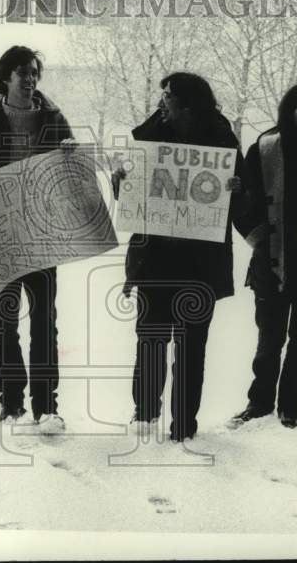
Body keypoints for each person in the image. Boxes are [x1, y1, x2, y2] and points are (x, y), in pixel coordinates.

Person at [114, 72, 243, 442]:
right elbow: (131, 194)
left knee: (191, 346)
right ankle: (145, 414)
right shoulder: (149, 136)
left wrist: (236, 188)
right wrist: (121, 178)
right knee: (151, 338)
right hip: (155, 257)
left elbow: (241, 197)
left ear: (188, 104)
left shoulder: (222, 139)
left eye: (168, 95)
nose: (161, 101)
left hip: (199, 263)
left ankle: (184, 423)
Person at [0, 46, 75, 431]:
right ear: (5, 77)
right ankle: (11, 404)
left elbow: (70, 170)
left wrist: (70, 153)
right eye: (23, 72)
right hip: (1, 231)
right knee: (4, 320)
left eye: (35, 72)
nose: (30, 78)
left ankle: (46, 406)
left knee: (44, 320)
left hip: (41, 231)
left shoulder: (53, 117)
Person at [228, 85, 297, 430]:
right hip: (272, 260)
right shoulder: (265, 148)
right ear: (290, 112)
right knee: (269, 339)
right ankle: (259, 403)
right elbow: (243, 201)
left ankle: (291, 406)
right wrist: (255, 237)